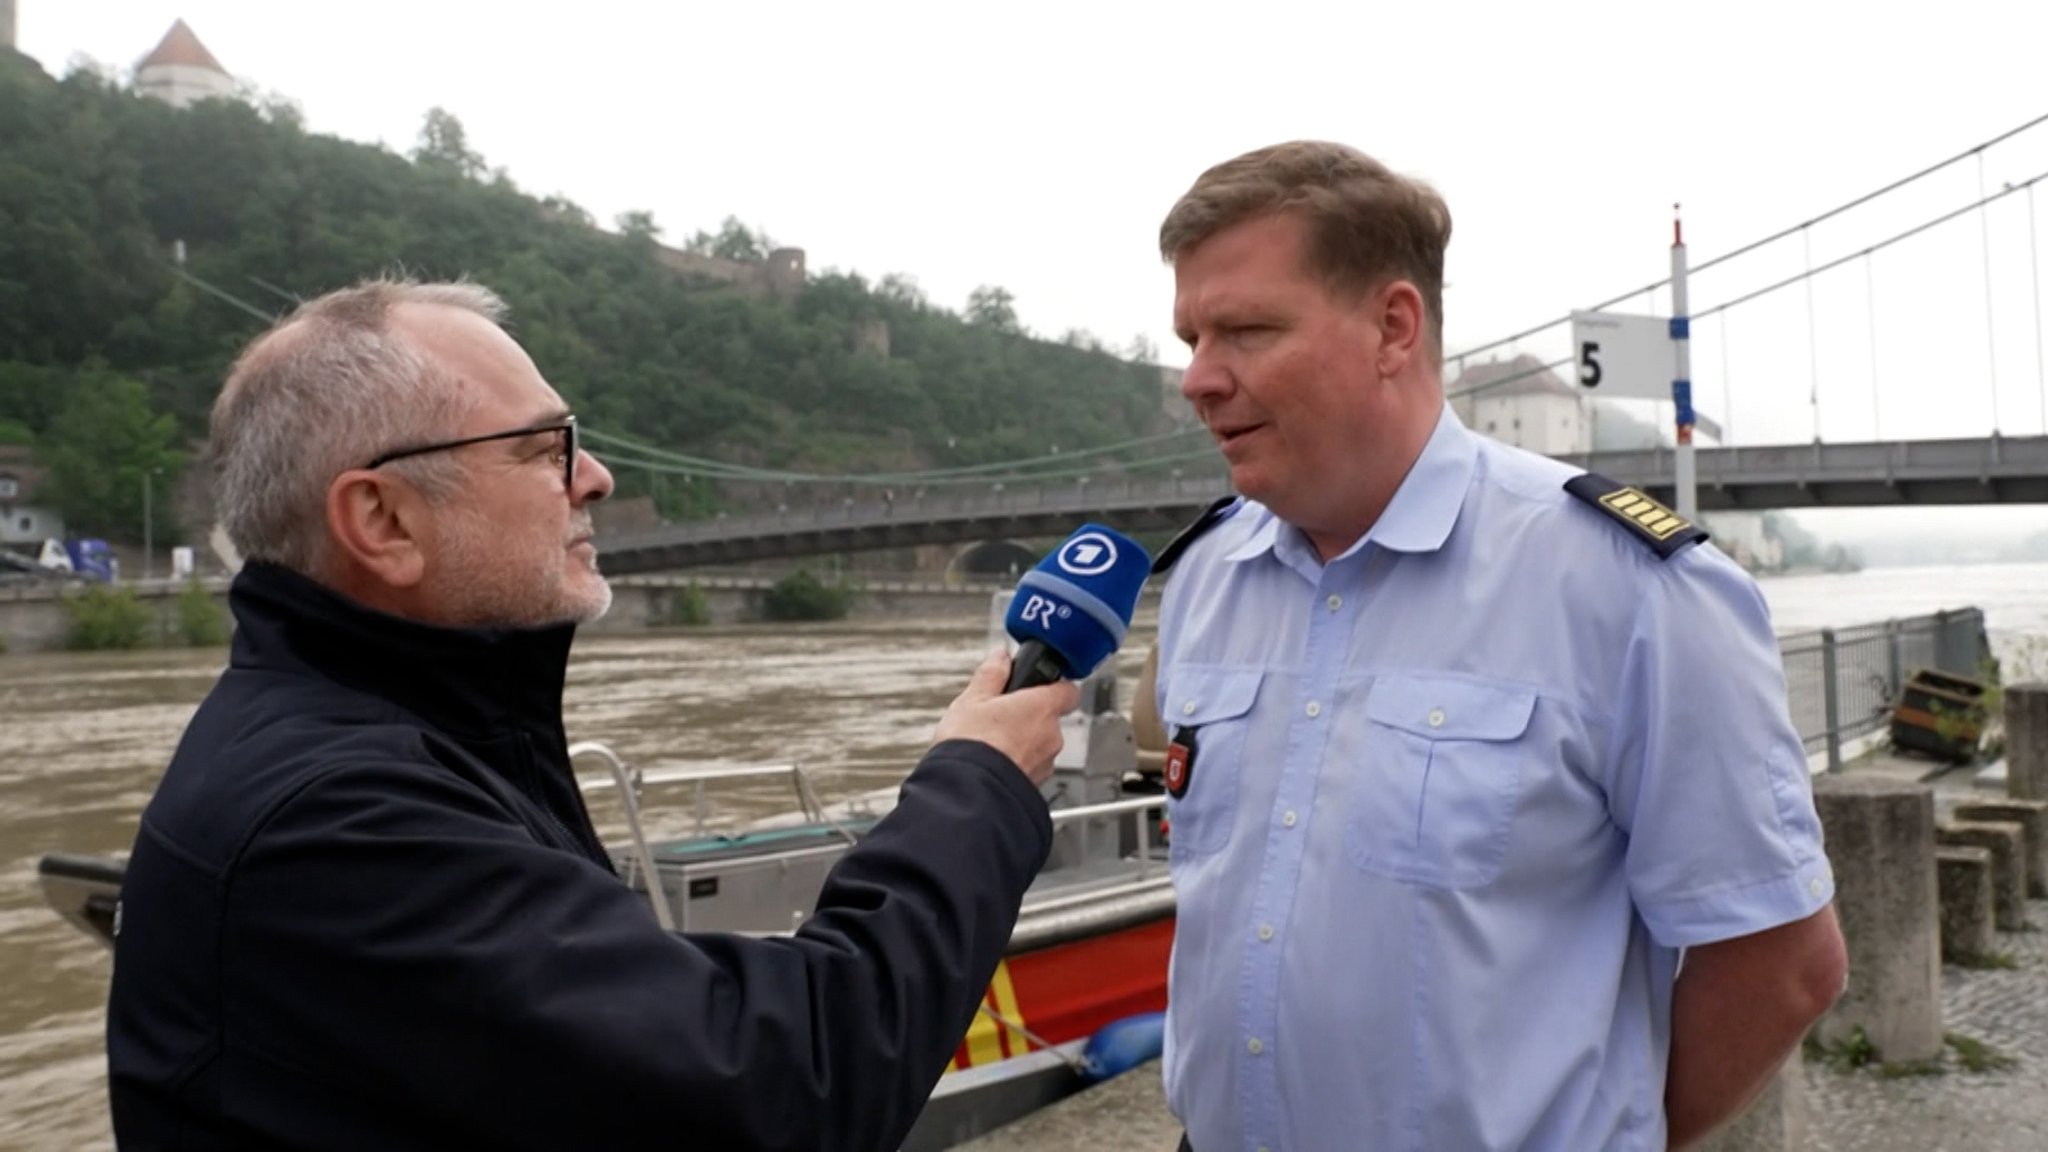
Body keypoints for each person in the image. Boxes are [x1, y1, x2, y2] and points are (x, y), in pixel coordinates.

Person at [104, 278, 1080, 1151]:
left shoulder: (391, 743)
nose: (596, 477)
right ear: (384, 522)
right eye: (543, 449)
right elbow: (786, 1086)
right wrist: (978, 781)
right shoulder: (332, 823)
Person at [1148, 142, 1848, 1151]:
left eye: (1247, 330)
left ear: (1393, 327)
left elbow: (1780, 963)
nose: (1198, 380)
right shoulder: (1208, 579)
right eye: (1190, 337)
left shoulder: (1627, 590)